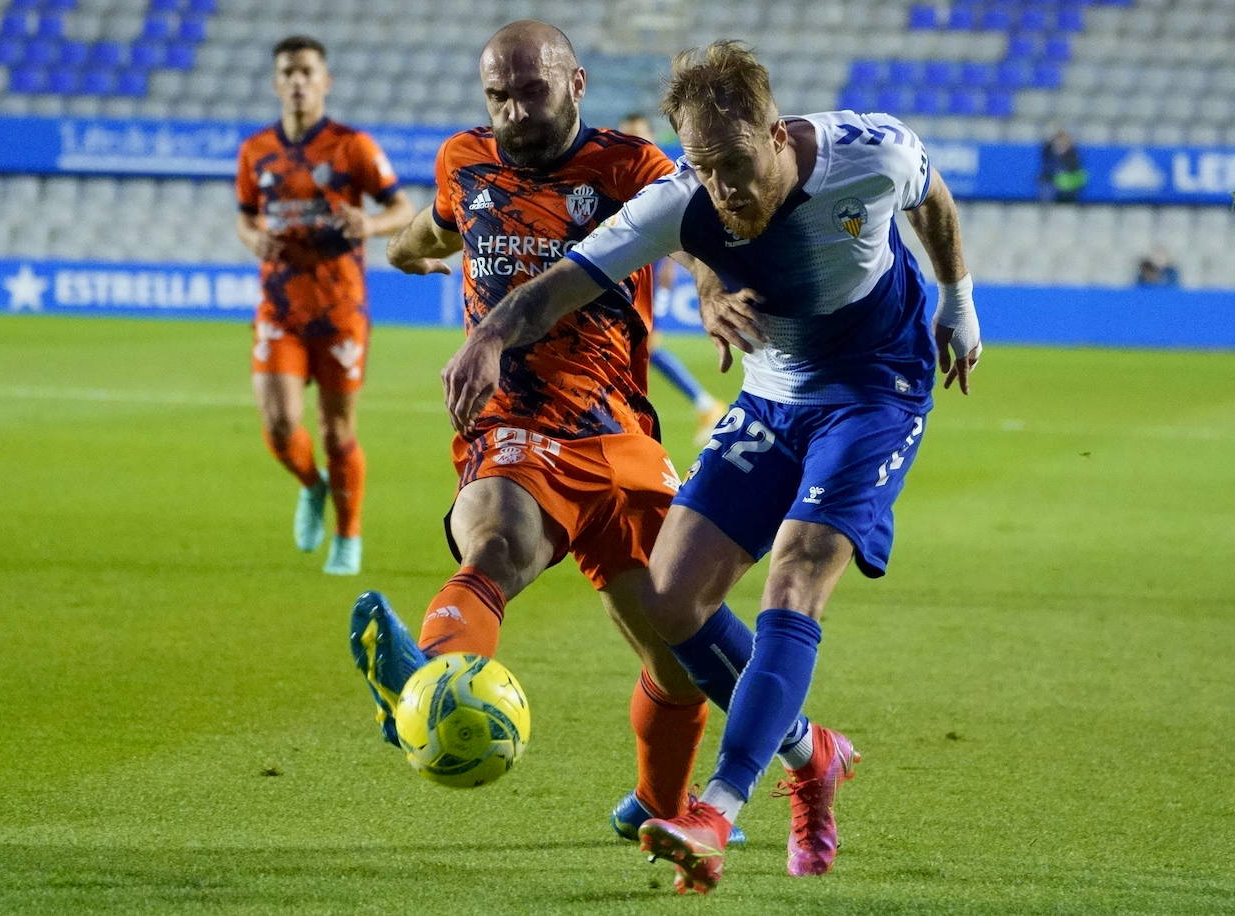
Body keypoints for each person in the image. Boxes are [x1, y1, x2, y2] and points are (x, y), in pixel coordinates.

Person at [440, 41, 981, 894]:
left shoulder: (869, 153)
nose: (723, 186)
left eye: (734, 163)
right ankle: (812, 752)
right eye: (703, 166)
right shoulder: (680, 201)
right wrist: (489, 336)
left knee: (795, 578)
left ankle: (716, 810)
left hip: (877, 388)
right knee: (669, 600)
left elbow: (935, 199)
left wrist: (958, 304)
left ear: (773, 133)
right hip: (772, 395)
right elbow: (560, 285)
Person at [349, 20, 772, 846]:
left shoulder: (628, 167)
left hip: (619, 429)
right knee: (498, 549)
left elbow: (698, 235)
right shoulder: (461, 159)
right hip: (514, 417)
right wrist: (402, 254)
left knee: (677, 654)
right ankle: (425, 683)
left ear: (575, 83)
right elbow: (439, 226)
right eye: (496, 96)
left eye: (528, 91)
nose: (511, 111)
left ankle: (660, 802)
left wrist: (717, 290)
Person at [235, 35, 415, 575]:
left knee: (337, 432)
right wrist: (253, 240)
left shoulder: (352, 146)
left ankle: (348, 534)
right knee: (280, 425)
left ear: (324, 81)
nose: (296, 81)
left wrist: (370, 223)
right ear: (276, 82)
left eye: (307, 72)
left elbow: (402, 206)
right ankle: (311, 486)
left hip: (339, 310)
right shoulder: (255, 151)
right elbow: (245, 217)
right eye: (287, 72)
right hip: (280, 309)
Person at [618, 112, 727, 446]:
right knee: (637, 346)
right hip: (630, 273)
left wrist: (665, 276)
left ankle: (706, 405)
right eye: (628, 137)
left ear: (652, 135)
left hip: (648, 274)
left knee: (644, 345)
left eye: (639, 135)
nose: (634, 143)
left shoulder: (661, 174)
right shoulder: (624, 175)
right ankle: (704, 406)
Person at [1038, 127, 1087, 203]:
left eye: (1063, 141)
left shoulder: (1073, 155)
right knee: (1046, 186)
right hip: (1052, 183)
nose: (1061, 143)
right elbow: (1047, 170)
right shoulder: (1049, 153)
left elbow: (1076, 172)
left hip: (1068, 186)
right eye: (1058, 141)